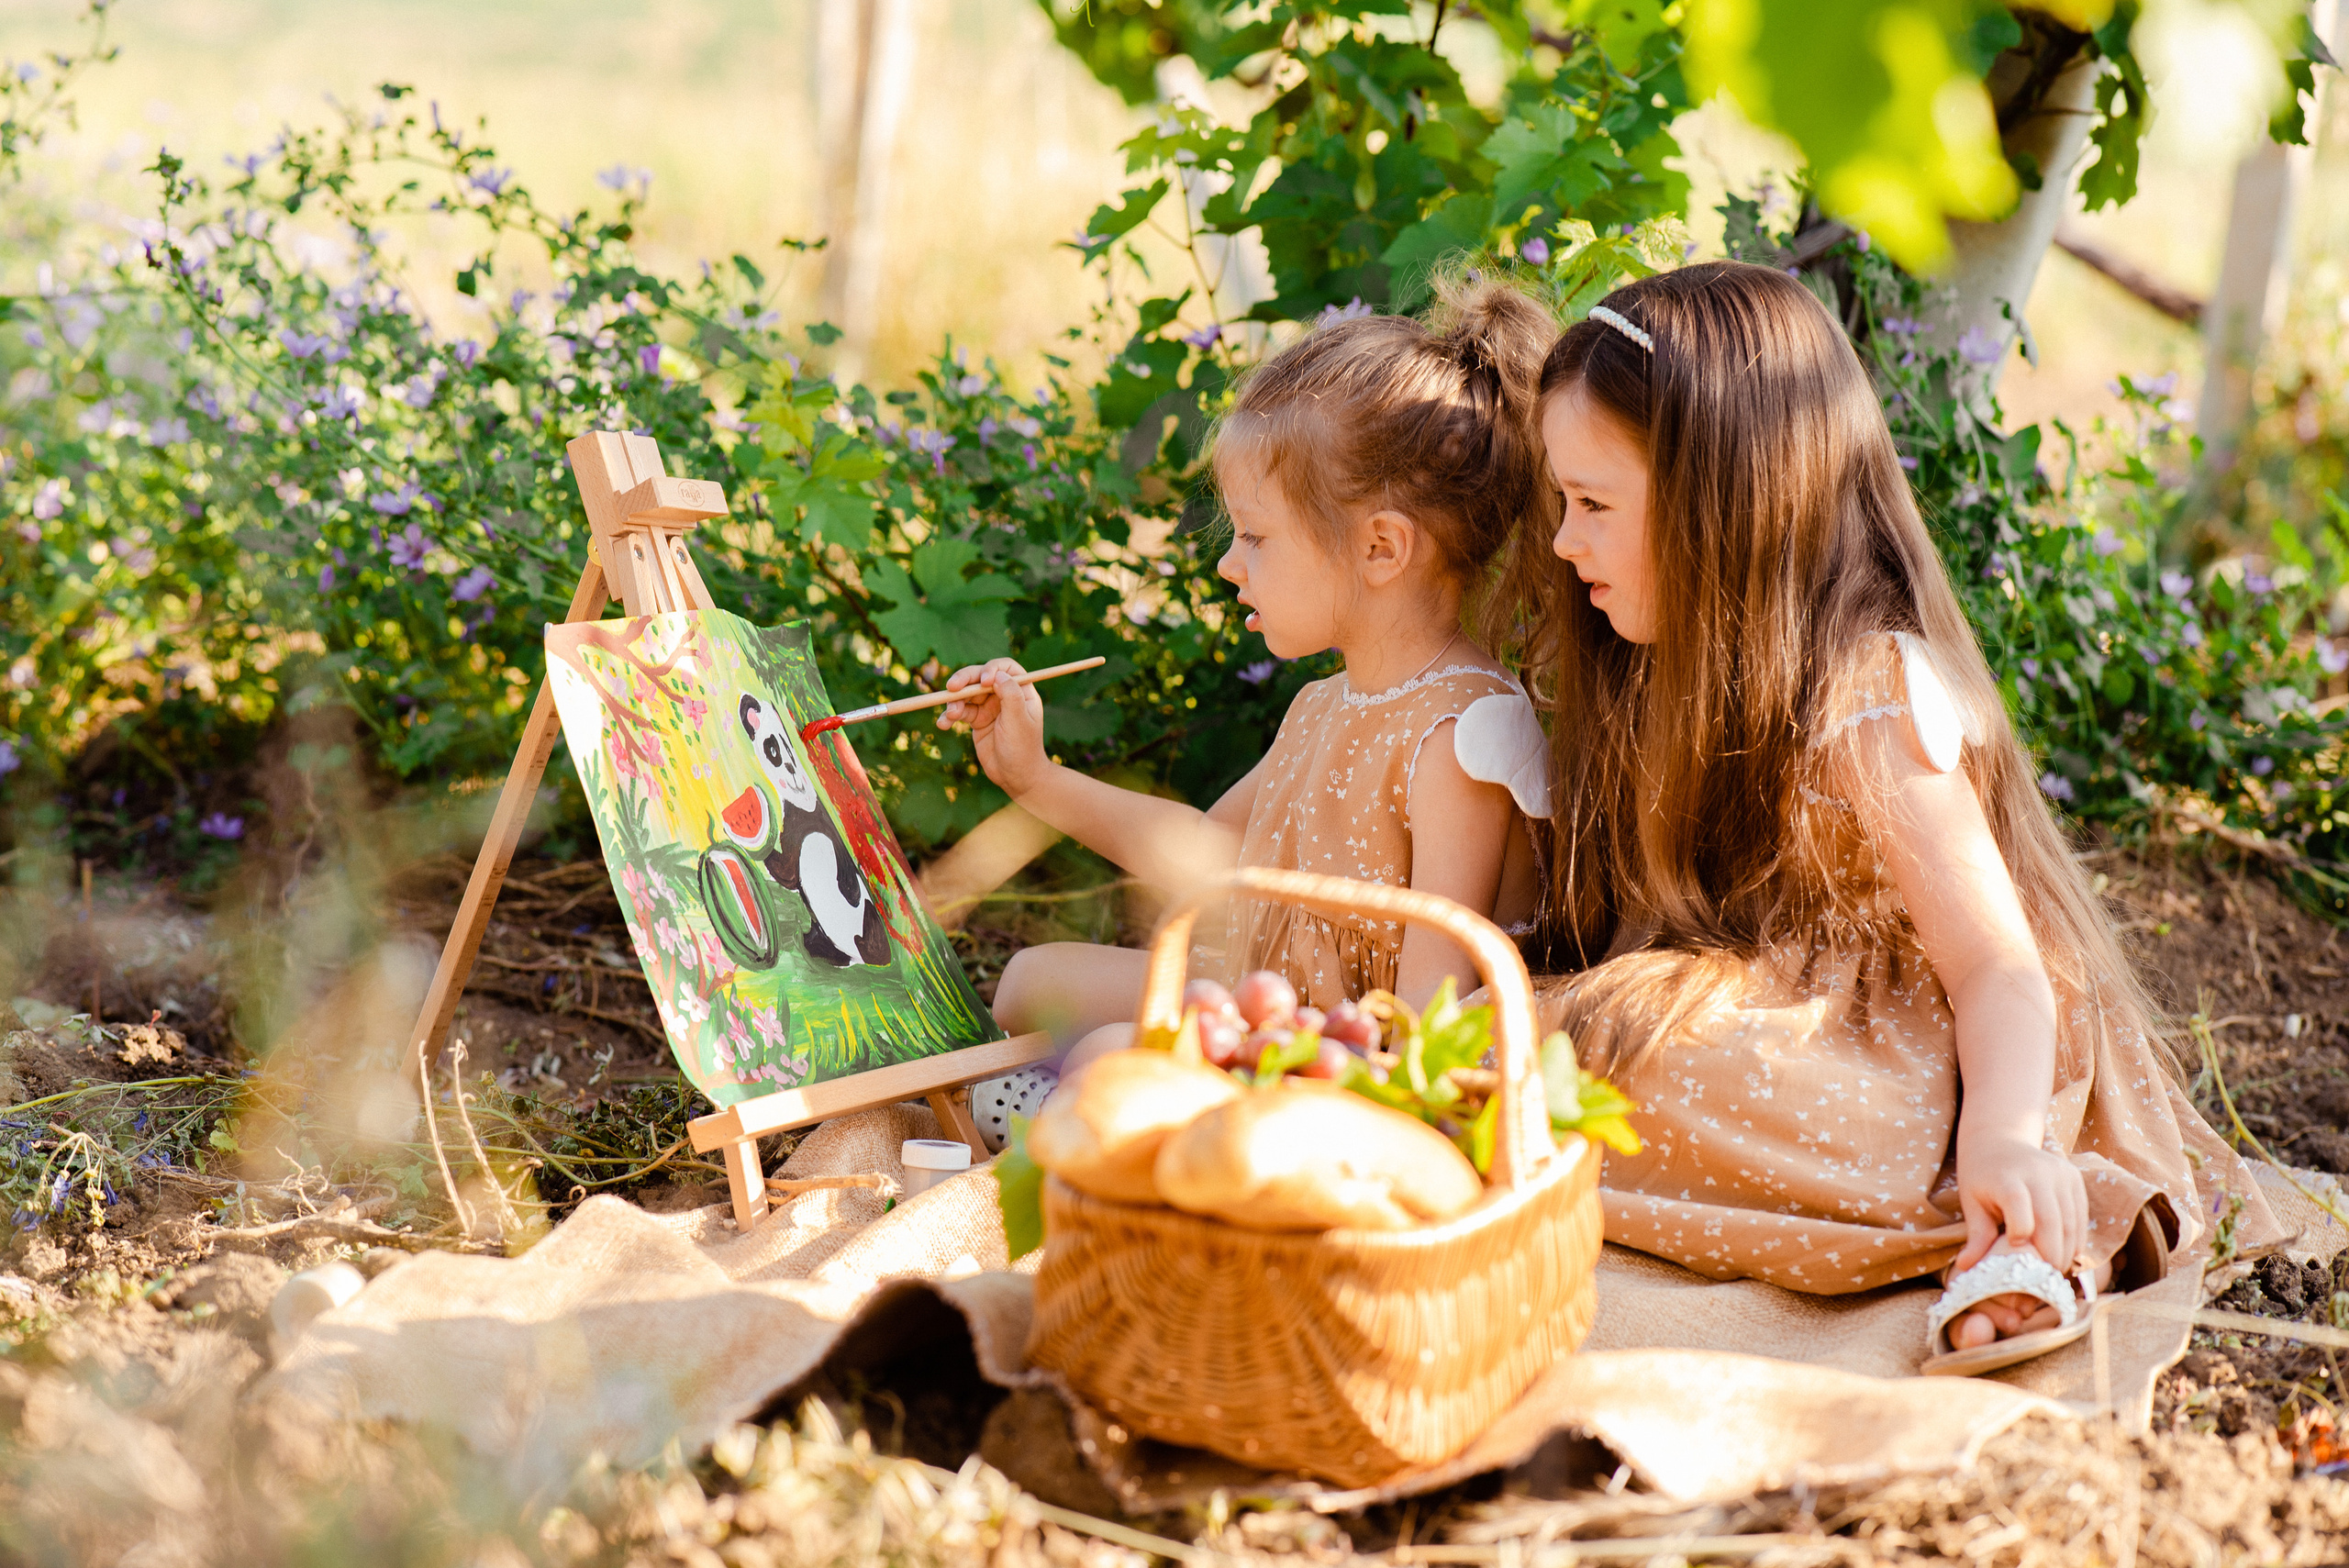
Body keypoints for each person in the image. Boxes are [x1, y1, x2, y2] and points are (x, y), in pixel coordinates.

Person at [1508, 261, 2279, 1369]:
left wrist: (2006, 1131)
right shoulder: (1657, 666)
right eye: (1561, 500)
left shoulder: (1864, 689)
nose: (1563, 542)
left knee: (1684, 1081)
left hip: (1931, 1055)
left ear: (1723, 505)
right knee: (1574, 1044)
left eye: (1592, 505)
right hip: (1763, 1011)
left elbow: (1997, 968)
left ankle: (2018, 1226)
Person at [941, 276, 1557, 1077]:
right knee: (1030, 981)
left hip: (1357, 1064)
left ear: (1382, 548)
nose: (1231, 563)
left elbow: (1424, 1034)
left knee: (1103, 1056)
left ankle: (1058, 1120)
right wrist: (1034, 777)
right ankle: (1054, 1113)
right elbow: (1205, 849)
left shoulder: (1463, 734)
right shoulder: (1324, 703)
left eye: (1256, 536)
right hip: (1281, 1005)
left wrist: (1253, 1053)